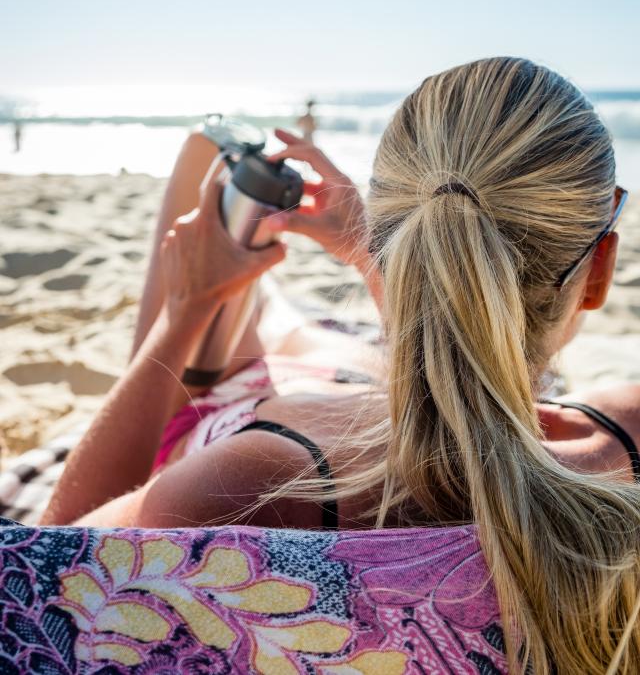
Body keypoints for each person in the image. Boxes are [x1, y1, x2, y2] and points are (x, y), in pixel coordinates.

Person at [43, 58, 640, 673]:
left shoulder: (247, 486)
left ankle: (223, 271)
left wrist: (185, 311)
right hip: (354, 382)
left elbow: (42, 583)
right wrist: (368, 247)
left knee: (205, 155)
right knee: (290, 321)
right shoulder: (628, 437)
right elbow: (457, 353)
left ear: (398, 242)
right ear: (597, 271)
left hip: (296, 407)